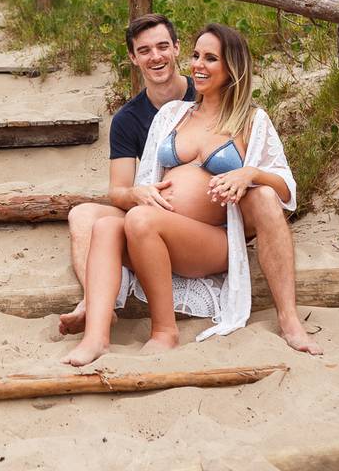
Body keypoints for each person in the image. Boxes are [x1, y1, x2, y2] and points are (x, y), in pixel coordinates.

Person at [61, 22, 322, 366]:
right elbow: (143, 175)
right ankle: (96, 338)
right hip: (161, 227)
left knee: (142, 220)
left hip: (212, 240)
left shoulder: (251, 121)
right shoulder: (173, 114)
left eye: (210, 58)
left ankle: (165, 332)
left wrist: (249, 173)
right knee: (107, 226)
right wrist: (142, 192)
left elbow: (286, 190)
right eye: (196, 55)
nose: (198, 64)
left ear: (232, 68)